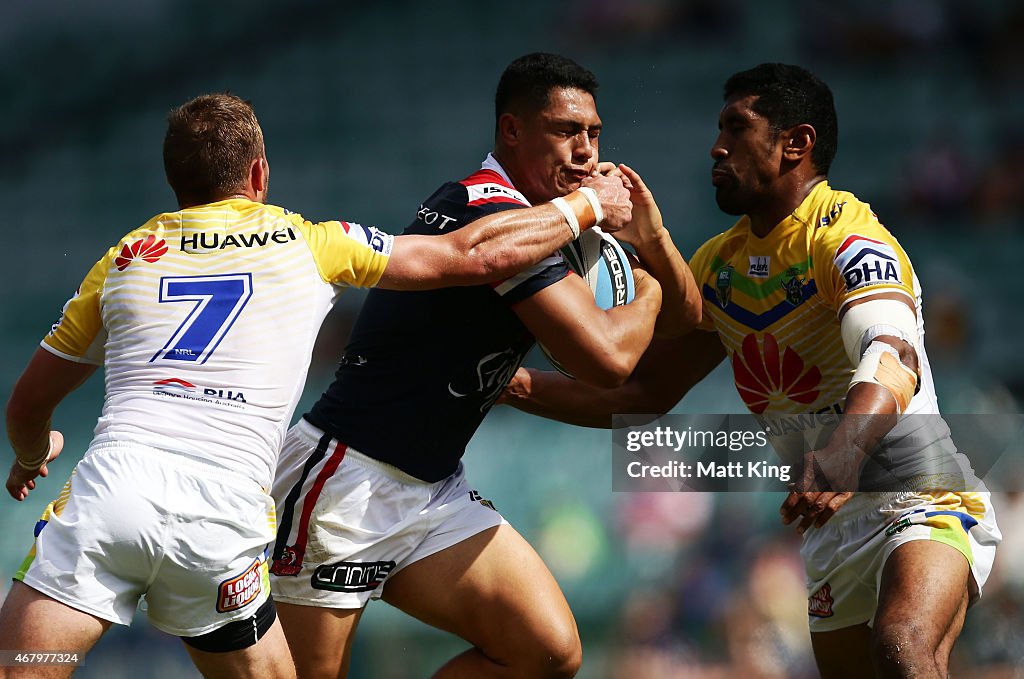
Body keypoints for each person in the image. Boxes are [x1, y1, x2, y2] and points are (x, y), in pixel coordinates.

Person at [0, 92, 636, 679]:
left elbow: (28, 406)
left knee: (26, 665)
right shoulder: (307, 242)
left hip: (114, 497)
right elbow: (472, 255)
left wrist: (33, 454)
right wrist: (586, 207)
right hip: (221, 524)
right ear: (259, 174)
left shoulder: (124, 259)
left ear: (175, 182)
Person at [502, 63, 1001, 679]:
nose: (717, 147)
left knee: (903, 647)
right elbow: (639, 392)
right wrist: (509, 385)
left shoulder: (845, 235)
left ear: (796, 144)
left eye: (737, 129)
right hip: (830, 527)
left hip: (922, 497)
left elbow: (895, 356)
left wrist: (843, 455)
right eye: (719, 128)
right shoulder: (719, 267)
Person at [267, 52, 701, 678]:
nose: (584, 151)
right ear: (512, 131)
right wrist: (646, 283)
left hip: (431, 490)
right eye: (564, 131)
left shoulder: (557, 215)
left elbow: (687, 322)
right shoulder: (494, 212)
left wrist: (653, 239)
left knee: (545, 654)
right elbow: (608, 360)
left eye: (594, 133)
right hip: (345, 481)